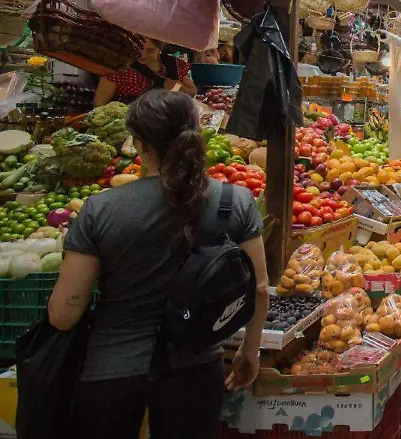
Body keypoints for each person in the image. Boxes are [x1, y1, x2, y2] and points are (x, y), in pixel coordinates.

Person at [49, 90, 269, 439]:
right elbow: (258, 288)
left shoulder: (100, 210)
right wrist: (250, 349)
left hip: (111, 372)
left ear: (140, 144)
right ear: (197, 133)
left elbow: (64, 313)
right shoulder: (234, 201)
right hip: (196, 370)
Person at [94, 38, 198, 106]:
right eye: (138, 49)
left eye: (150, 51)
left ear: (159, 50)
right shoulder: (120, 69)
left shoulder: (174, 65)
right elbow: (99, 105)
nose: (142, 55)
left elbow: (192, 92)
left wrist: (176, 88)